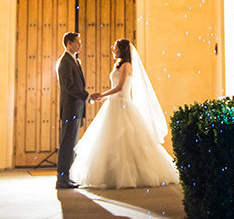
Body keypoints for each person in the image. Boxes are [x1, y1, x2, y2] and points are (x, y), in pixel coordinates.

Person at [70, 38, 179, 188]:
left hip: (122, 103)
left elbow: (120, 87)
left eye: (115, 48)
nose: (113, 50)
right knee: (109, 140)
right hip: (113, 104)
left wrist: (103, 94)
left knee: (126, 140)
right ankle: (110, 175)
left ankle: (132, 175)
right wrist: (106, 97)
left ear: (122, 49)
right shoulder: (119, 64)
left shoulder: (127, 65)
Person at [54, 31, 92, 189]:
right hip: (70, 109)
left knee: (71, 143)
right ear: (69, 43)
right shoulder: (64, 62)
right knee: (66, 144)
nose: (80, 45)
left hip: (76, 109)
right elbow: (70, 87)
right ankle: (61, 179)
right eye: (77, 42)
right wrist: (88, 96)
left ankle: (67, 176)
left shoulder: (75, 61)